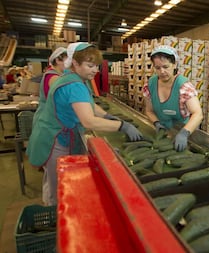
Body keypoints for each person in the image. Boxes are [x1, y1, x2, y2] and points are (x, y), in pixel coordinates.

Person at [26, 42, 143, 206]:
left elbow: (88, 104)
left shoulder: (72, 78)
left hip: (51, 133)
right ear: (75, 63)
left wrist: (107, 115)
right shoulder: (74, 84)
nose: (95, 70)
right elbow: (88, 121)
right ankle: (56, 222)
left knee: (56, 182)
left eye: (96, 66)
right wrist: (122, 126)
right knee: (59, 188)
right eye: (90, 65)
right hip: (56, 140)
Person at [143, 45, 203, 152]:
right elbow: (149, 110)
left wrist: (184, 133)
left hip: (184, 136)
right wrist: (156, 123)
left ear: (174, 65)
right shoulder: (150, 84)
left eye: (166, 67)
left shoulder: (183, 86)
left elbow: (198, 114)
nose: (162, 71)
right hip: (163, 135)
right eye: (157, 68)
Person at [32, 47, 68, 124]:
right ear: (58, 60)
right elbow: (65, 98)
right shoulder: (53, 77)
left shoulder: (53, 75)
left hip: (47, 119)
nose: (69, 64)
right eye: (67, 61)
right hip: (46, 122)